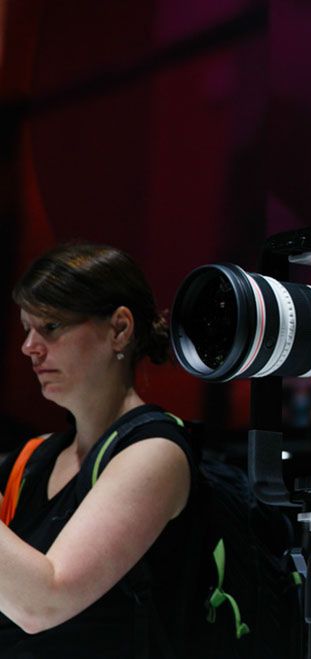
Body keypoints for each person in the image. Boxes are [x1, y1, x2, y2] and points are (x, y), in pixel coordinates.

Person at [0, 243, 194, 657]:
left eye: (50, 326)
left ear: (120, 329)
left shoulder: (155, 452)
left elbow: (45, 602)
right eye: (26, 329)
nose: (29, 347)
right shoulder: (33, 458)